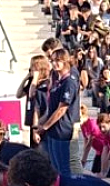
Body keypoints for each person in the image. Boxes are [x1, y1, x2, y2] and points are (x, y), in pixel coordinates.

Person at [37, 48, 80, 176]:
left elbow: (62, 109)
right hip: (53, 130)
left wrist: (45, 126)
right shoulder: (58, 81)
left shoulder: (69, 82)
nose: (54, 63)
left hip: (62, 129)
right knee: (55, 167)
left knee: (63, 168)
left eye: (58, 61)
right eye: (52, 61)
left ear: (65, 61)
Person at [80, 110, 110, 177]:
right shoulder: (106, 136)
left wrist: (104, 173)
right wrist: (102, 171)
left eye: (103, 127)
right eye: (100, 127)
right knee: (97, 173)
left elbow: (109, 158)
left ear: (109, 124)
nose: (102, 130)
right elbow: (104, 153)